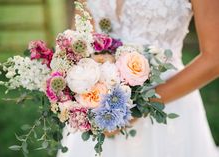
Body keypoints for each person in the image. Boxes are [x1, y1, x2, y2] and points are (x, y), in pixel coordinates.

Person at [57, 0, 219, 156]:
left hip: (168, 100)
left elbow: (214, 58)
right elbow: (80, 38)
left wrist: (138, 107)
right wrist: (79, 87)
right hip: (97, 103)